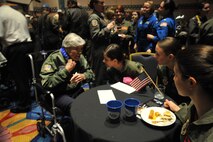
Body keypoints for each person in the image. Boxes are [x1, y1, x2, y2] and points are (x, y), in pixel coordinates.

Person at [164, 45, 213, 142]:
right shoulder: (198, 103)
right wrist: (177, 109)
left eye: (176, 74)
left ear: (191, 82)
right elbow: (190, 114)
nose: (174, 78)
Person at [40, 33, 95, 115]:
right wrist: (66, 71)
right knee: (77, 107)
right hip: (59, 94)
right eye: (76, 49)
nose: (80, 52)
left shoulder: (79, 57)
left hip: (75, 90)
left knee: (93, 102)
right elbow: (46, 83)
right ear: (67, 48)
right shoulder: (54, 58)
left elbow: (91, 74)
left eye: (81, 49)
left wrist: (84, 76)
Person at [0, 0, 33, 113]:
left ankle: (24, 105)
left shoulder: (1, 13)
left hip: (15, 47)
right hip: (27, 45)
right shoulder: (17, 13)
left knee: (19, 77)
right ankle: (28, 98)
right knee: (26, 76)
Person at [155, 37, 190, 104]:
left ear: (170, 57)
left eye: (158, 54)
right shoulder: (162, 69)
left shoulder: (185, 74)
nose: (154, 56)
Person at [88, 0, 115, 86]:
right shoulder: (94, 17)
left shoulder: (101, 16)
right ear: (95, 4)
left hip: (104, 49)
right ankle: (96, 96)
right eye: (101, 3)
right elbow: (95, 36)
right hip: (98, 51)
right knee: (99, 77)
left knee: (104, 76)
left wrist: (112, 32)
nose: (104, 5)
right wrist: (107, 28)